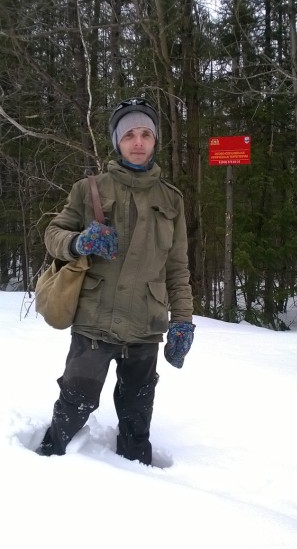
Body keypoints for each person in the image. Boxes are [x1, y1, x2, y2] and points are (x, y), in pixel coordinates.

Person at [36, 97, 195, 465]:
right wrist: (79, 241)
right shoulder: (88, 188)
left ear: (155, 141)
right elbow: (53, 234)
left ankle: (139, 478)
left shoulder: (172, 200)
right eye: (129, 136)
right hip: (95, 318)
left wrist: (183, 321)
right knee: (77, 399)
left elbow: (177, 267)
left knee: (137, 411)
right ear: (117, 142)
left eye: (145, 134)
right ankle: (47, 460)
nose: (138, 142)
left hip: (145, 323)